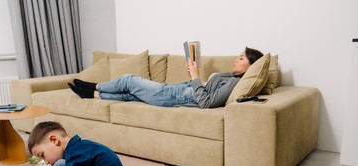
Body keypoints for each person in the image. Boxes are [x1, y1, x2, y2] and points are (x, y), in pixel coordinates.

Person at [68, 46, 264, 108]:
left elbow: (206, 102)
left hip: (179, 96)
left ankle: (96, 85)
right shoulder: (232, 75)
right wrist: (194, 77)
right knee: (131, 95)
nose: (236, 60)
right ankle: (91, 94)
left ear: (251, 65)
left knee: (129, 80)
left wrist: (196, 77)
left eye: (241, 58)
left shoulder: (235, 83)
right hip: (180, 90)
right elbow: (206, 89)